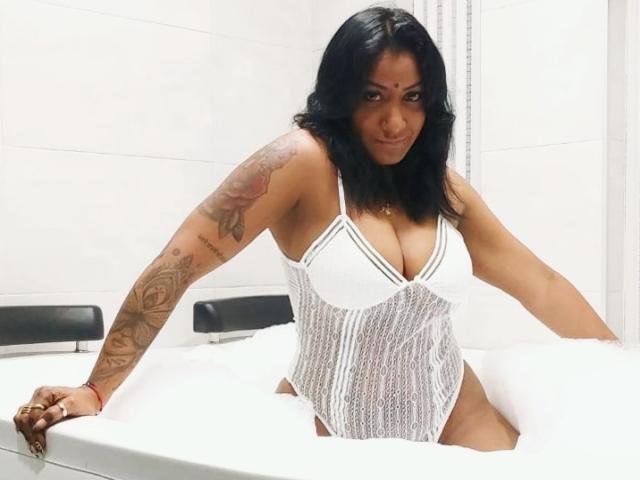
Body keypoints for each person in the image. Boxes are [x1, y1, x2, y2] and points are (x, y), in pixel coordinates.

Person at [14, 6, 618, 457]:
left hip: (457, 414)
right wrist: (96, 390)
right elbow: (180, 264)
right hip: (326, 425)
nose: (395, 120)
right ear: (341, 96)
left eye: (413, 98)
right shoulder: (302, 164)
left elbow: (541, 285)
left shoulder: (443, 189)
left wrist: (622, 378)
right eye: (373, 96)